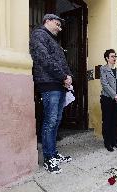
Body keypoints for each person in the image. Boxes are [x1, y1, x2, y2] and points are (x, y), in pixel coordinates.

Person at [30, 14, 73, 174]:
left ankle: (54, 153)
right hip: (49, 84)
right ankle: (48, 159)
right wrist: (63, 76)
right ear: (47, 21)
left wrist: (69, 77)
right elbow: (44, 59)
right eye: (57, 24)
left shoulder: (53, 39)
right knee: (50, 121)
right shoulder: (39, 34)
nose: (59, 28)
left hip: (59, 84)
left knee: (56, 120)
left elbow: (62, 62)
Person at [100, 49, 117, 152]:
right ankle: (107, 142)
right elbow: (105, 84)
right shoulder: (103, 69)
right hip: (107, 99)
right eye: (112, 56)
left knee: (115, 121)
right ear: (107, 58)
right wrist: (114, 95)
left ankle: (114, 141)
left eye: (115, 56)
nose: (114, 58)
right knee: (107, 121)